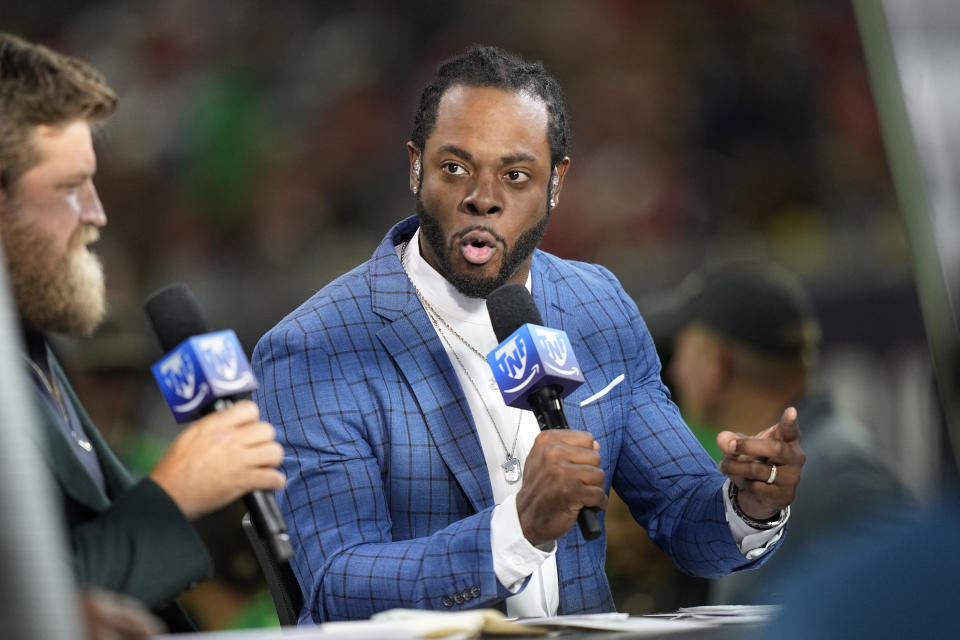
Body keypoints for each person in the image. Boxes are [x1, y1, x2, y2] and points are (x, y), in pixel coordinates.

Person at [252, 45, 805, 623]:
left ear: (556, 183)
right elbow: (337, 585)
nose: (483, 198)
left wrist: (748, 507)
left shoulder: (597, 306)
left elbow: (684, 517)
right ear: (416, 167)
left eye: (515, 175)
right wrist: (516, 530)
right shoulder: (317, 347)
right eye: (455, 168)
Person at [0, 32, 285, 631]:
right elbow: (25, 604)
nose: (96, 213)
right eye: (69, 187)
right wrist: (175, 495)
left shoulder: (28, 339)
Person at [647, 259, 909, 604]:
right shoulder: (827, 467)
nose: (676, 372)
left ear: (716, 365)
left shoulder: (842, 480)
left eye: (681, 353)